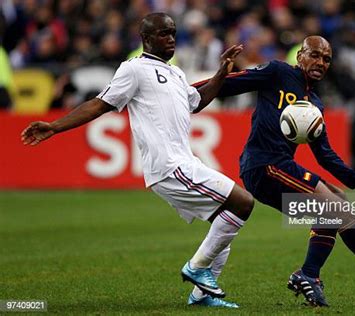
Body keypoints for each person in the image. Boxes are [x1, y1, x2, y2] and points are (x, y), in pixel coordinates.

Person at [21, 12, 253, 309]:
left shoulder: (177, 73)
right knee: (243, 203)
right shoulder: (134, 69)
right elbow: (99, 104)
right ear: (146, 39)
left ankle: (202, 296)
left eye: (172, 33)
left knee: (224, 223)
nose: (170, 38)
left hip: (183, 162)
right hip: (170, 166)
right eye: (163, 34)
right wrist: (55, 126)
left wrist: (222, 70)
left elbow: (199, 101)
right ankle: (196, 268)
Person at [193, 36, 355, 307]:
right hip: (263, 164)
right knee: (334, 209)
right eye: (315, 55)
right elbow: (229, 84)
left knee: (338, 205)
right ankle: (322, 275)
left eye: (326, 59)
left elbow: (324, 155)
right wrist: (185, 92)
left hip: (280, 167)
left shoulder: (315, 103)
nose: (320, 62)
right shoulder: (277, 72)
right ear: (300, 56)